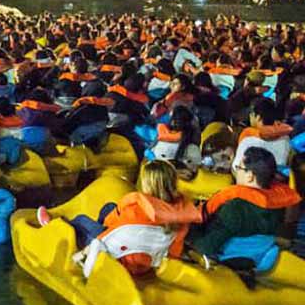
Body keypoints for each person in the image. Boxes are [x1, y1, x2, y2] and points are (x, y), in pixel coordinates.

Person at [37, 160, 202, 277]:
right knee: (109, 207)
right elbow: (174, 251)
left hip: (116, 256)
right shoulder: (181, 216)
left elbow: (109, 233)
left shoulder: (135, 210)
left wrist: (83, 253)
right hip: (146, 261)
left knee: (81, 220)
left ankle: (52, 224)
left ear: (147, 184)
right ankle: (99, 221)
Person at [190, 147, 301, 257]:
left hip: (228, 257)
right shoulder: (282, 203)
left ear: (250, 176)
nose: (237, 171)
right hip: (261, 253)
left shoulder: (235, 207)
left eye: (239, 168)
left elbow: (205, 247)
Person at [233, 97, 292, 168]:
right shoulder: (285, 138)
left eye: (251, 114)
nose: (250, 117)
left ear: (258, 117)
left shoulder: (248, 136)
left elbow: (236, 167)